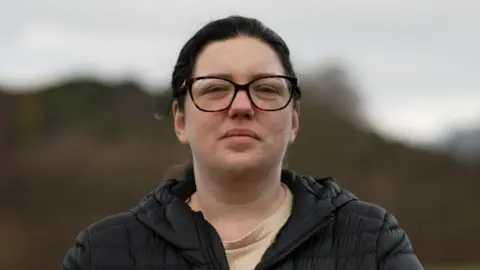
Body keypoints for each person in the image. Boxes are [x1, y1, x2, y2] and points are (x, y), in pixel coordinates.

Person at [62, 15, 423, 270]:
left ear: (294, 120)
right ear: (181, 120)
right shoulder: (103, 253)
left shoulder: (371, 241)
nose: (241, 106)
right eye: (216, 89)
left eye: (265, 89)